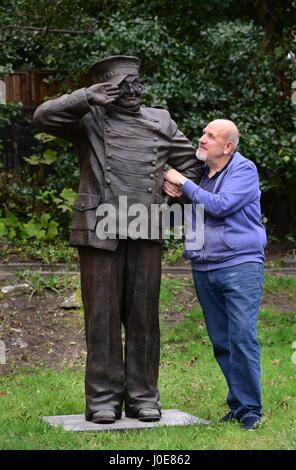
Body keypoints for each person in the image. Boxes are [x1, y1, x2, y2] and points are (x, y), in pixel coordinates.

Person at [33, 56, 201, 424]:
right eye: (124, 85)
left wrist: (168, 188)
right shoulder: (89, 118)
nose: (133, 90)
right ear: (106, 88)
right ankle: (102, 399)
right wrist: (86, 97)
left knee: (143, 317)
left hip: (146, 223)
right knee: (102, 316)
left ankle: (143, 397)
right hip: (99, 226)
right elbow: (43, 117)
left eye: (136, 83)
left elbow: (191, 167)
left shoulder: (161, 120)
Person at [164, 119, 267, 431]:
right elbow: (193, 208)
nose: (203, 138)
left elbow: (221, 206)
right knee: (222, 342)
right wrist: (177, 191)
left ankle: (251, 411)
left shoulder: (243, 170)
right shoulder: (202, 175)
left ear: (228, 146)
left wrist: (182, 182)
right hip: (204, 268)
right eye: (204, 133)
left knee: (242, 338)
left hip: (240, 266)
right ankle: (237, 405)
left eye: (211, 135)